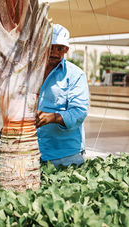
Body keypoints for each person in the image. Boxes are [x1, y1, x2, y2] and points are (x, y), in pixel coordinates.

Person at [35, 24, 89, 167]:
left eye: (60, 48)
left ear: (66, 49)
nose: (54, 52)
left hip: (64, 156)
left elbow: (79, 112)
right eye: (50, 47)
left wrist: (51, 117)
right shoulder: (27, 71)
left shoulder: (75, 75)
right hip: (29, 151)